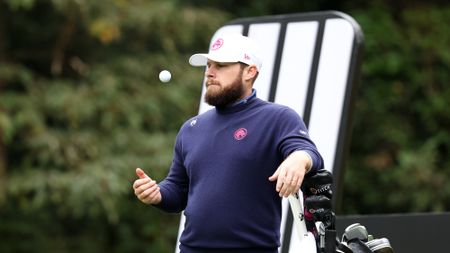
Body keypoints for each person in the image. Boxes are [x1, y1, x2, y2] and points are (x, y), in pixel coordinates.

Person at [133, 33, 324, 253]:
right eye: (209, 65)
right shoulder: (191, 128)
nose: (209, 72)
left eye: (221, 65)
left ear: (250, 72)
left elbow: (309, 153)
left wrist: (299, 159)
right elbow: (177, 190)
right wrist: (158, 194)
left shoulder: (278, 118)